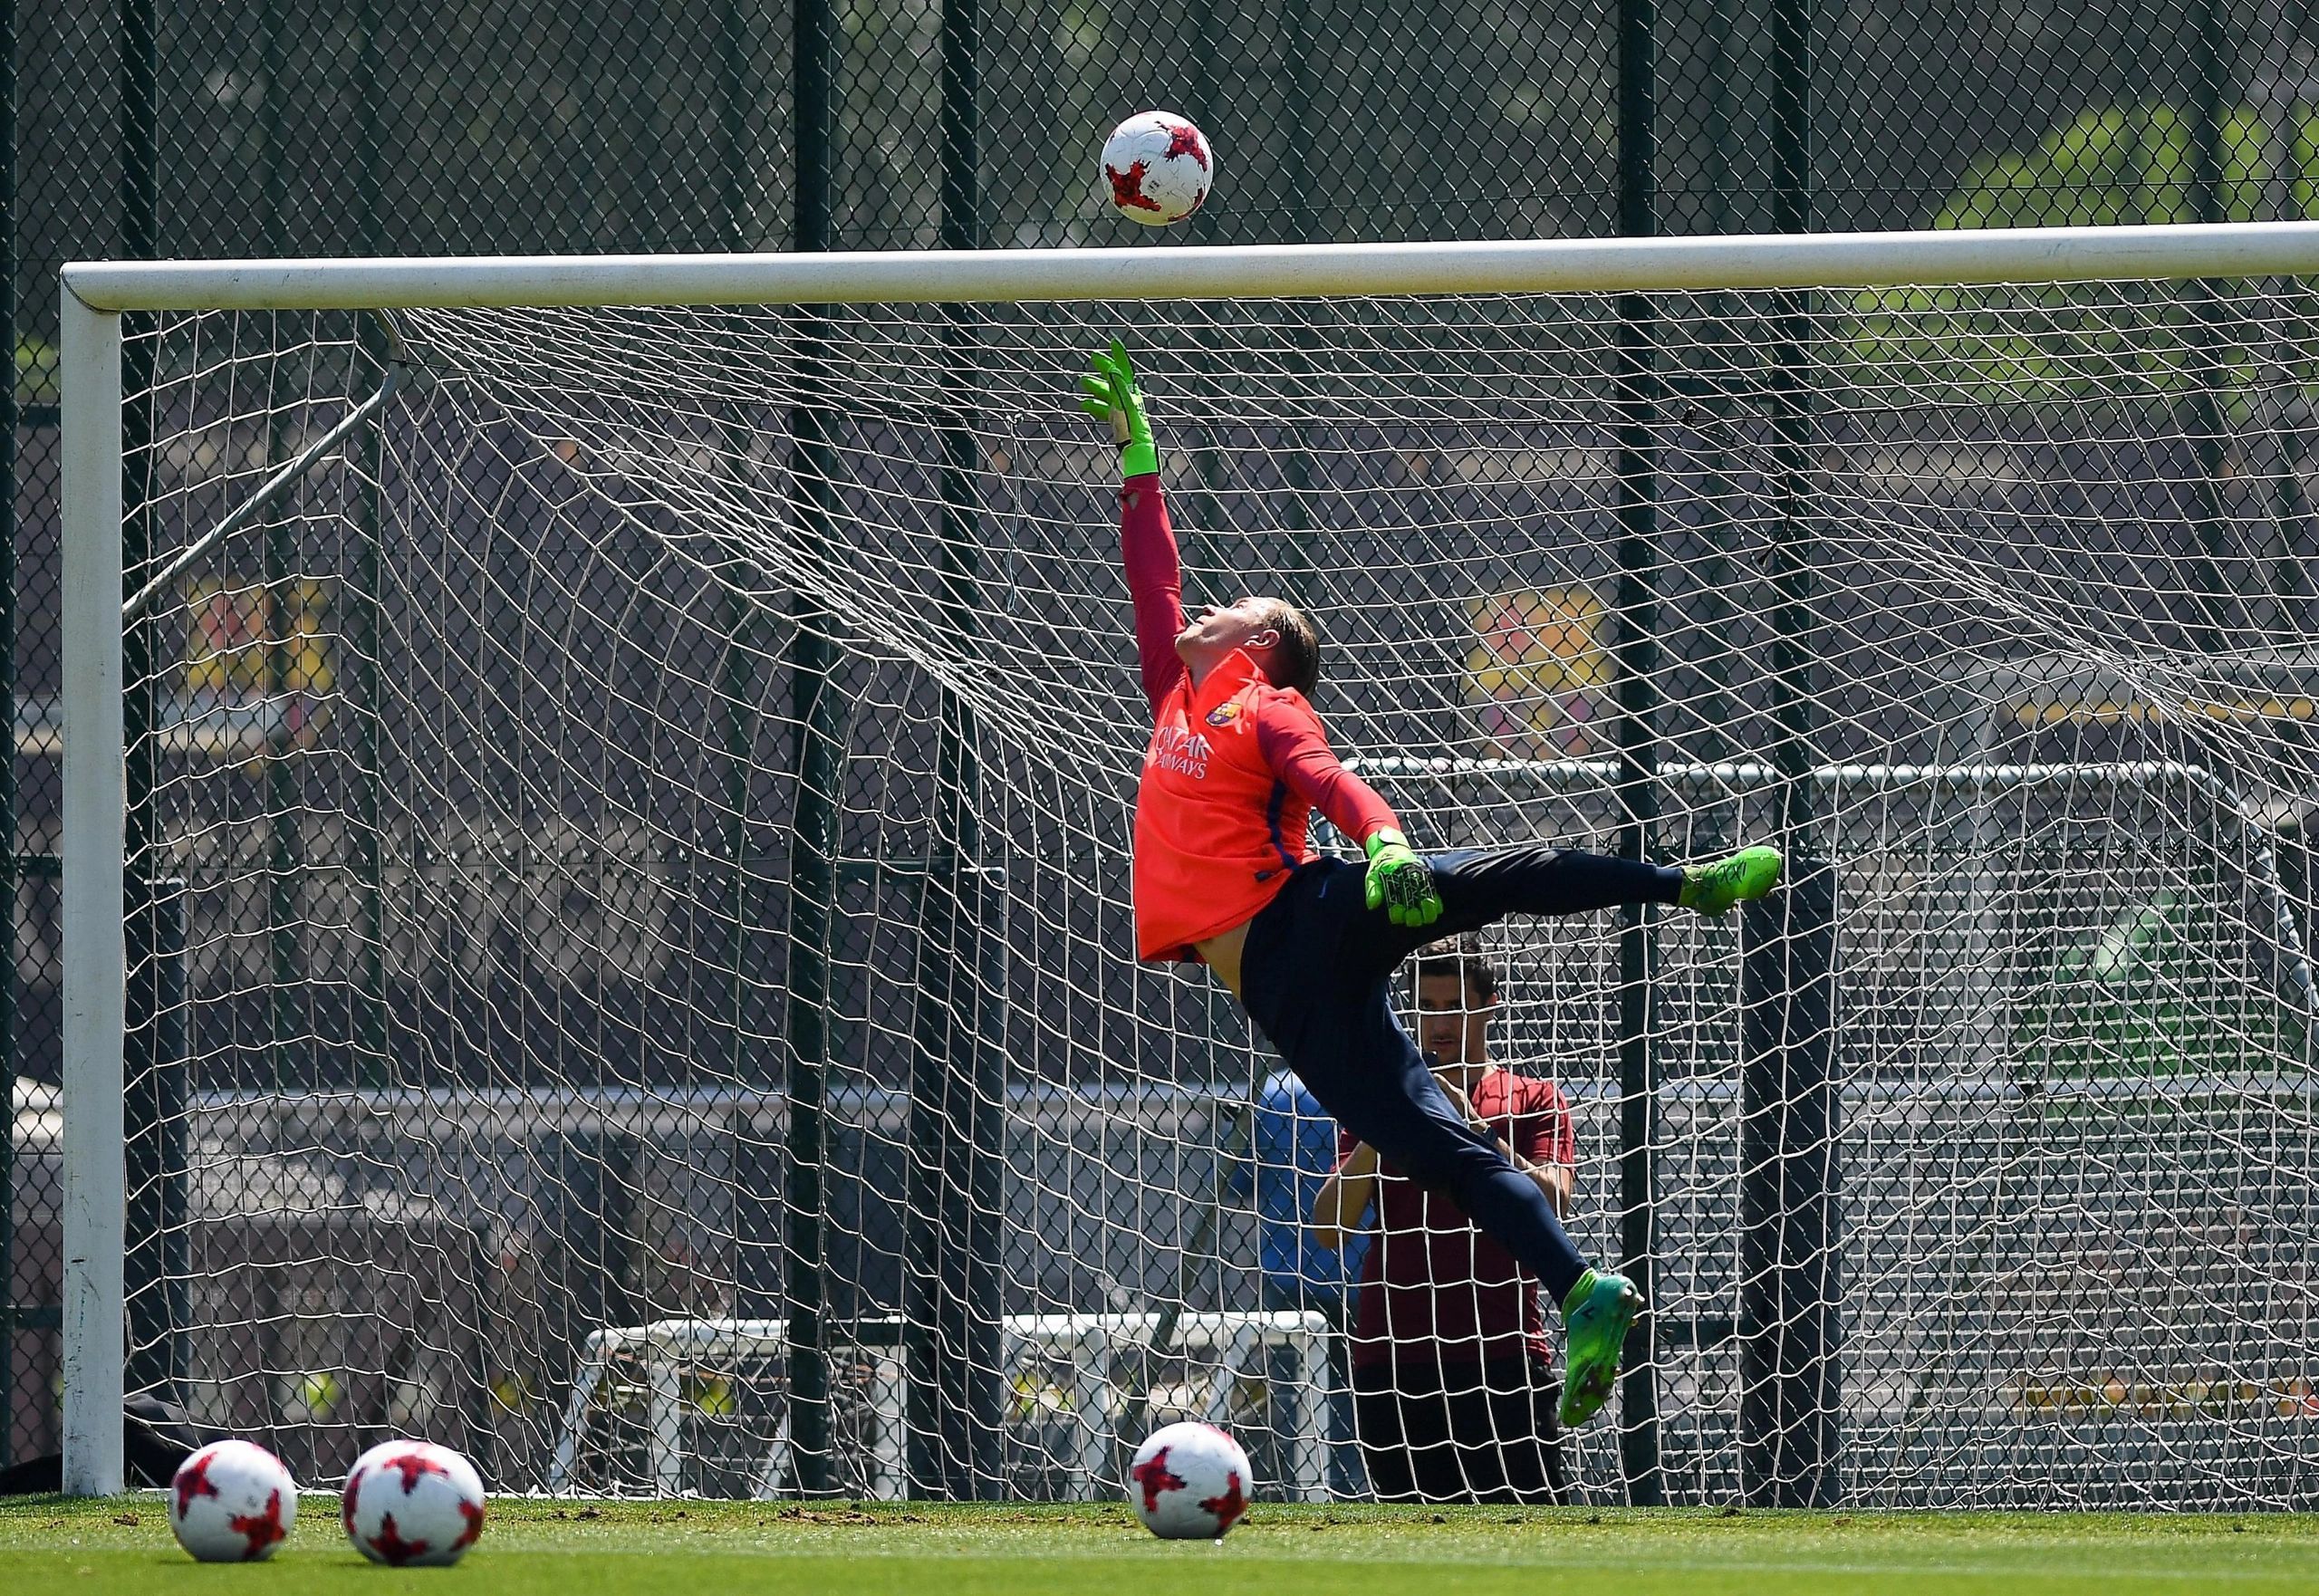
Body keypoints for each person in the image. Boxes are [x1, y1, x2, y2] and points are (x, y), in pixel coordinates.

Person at [1081, 339, 1784, 1427]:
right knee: (1440, 1151)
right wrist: (1139, 466)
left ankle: (1680, 884)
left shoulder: (1265, 706)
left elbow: (1328, 779)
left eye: (1236, 607)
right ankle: (1585, 1290)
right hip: (1288, 995)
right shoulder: (1177, 691)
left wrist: (1391, 846)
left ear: (1263, 643)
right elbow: (1152, 576)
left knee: (1487, 881)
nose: (1202, 608)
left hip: (1303, 913)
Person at [1313, 935, 1575, 1502]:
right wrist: (1389, 1118)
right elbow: (1330, 1227)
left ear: (1489, 1004)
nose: (1439, 1023)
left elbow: (1553, 1200)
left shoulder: (1531, 1098)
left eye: (1455, 1005)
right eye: (1427, 1008)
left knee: (1531, 1537)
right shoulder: (1379, 1098)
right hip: (1394, 1357)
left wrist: (1470, 1125)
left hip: (1502, 1353)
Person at [1246, 1067, 1370, 1495]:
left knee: (1298, 1397)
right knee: (1365, 1396)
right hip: (1363, 1269)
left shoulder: (1277, 1091)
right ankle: (1357, 1492)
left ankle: (1304, 1487)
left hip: (1290, 1267)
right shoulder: (1372, 1079)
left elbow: (1243, 1179)